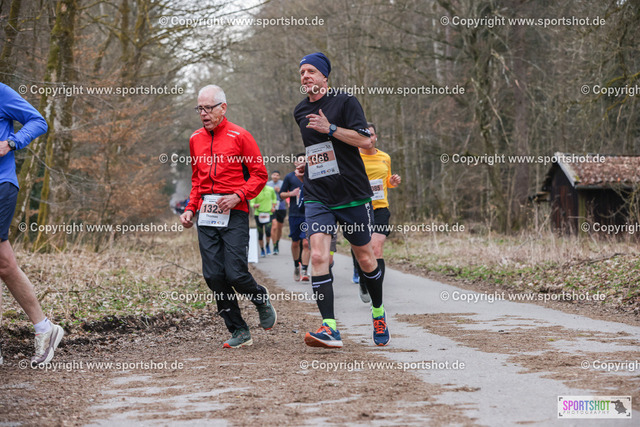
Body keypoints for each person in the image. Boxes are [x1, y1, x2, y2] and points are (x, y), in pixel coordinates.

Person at [294, 52, 390, 348]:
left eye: (311, 71)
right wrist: (306, 166)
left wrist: (331, 128)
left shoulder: (345, 102)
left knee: (365, 258)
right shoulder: (300, 110)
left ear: (325, 76)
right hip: (318, 194)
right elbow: (317, 149)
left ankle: (378, 312)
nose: (305, 76)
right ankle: (330, 327)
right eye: (302, 72)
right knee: (318, 256)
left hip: (351, 194)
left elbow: (366, 140)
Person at [180, 84, 276, 348]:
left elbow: (260, 174)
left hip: (234, 213)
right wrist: (190, 208)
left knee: (235, 274)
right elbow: (197, 180)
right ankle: (239, 330)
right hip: (206, 215)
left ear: (223, 107)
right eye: (199, 108)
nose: (203, 113)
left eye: (208, 108)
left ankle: (259, 298)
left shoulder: (240, 136)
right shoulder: (195, 139)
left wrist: (238, 195)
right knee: (214, 276)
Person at [0, 82, 64, 366]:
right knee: (4, 264)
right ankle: (44, 328)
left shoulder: (1, 92)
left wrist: (11, 142)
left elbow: (38, 121)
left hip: (1, 183)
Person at [352, 122, 401, 303]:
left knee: (376, 248)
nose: (368, 138)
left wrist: (392, 182)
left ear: (376, 137)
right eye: (364, 134)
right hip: (358, 208)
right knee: (361, 251)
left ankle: (376, 291)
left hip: (380, 208)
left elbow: (386, 181)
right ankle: (364, 282)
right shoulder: (353, 156)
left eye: (371, 134)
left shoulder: (385, 157)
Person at [279, 154, 310, 281]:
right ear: (295, 163)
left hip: (308, 214)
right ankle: (296, 265)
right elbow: (281, 194)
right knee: (295, 242)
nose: (302, 162)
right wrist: (291, 193)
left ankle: (305, 270)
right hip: (294, 214)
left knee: (306, 243)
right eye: (300, 160)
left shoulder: (310, 176)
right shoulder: (289, 177)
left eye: (305, 160)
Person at [249, 184, 277, 257]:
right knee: (260, 234)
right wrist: (254, 205)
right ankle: (262, 249)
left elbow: (274, 199)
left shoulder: (270, 189)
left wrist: (273, 207)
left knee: (268, 232)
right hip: (258, 214)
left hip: (268, 214)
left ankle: (267, 245)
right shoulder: (255, 190)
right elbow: (251, 202)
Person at [266, 170, 286, 255]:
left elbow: (286, 194)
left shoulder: (283, 183)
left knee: (279, 228)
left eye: (277, 175)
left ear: (279, 176)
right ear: (271, 176)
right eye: (274, 175)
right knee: (274, 227)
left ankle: (277, 243)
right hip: (271, 208)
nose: (275, 176)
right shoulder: (268, 184)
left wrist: (279, 191)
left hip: (281, 207)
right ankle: (274, 245)